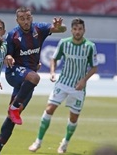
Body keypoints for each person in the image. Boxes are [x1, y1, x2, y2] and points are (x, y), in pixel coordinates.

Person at [0, 7, 67, 155]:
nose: (25, 21)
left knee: (11, 119)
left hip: (27, 81)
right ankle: (14, 107)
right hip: (15, 73)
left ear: (31, 17)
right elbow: (7, 53)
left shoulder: (39, 29)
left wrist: (59, 26)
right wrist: (8, 57)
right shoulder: (13, 35)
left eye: (28, 17)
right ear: (17, 21)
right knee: (35, 77)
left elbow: (62, 29)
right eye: (22, 18)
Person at [28, 18, 98, 154]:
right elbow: (54, 59)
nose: (77, 32)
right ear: (71, 30)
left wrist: (84, 80)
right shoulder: (64, 43)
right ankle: (38, 141)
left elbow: (94, 68)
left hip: (78, 87)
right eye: (75, 29)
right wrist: (52, 72)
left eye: (80, 29)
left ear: (84, 30)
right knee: (49, 109)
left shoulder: (90, 46)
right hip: (63, 83)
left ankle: (65, 143)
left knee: (73, 118)